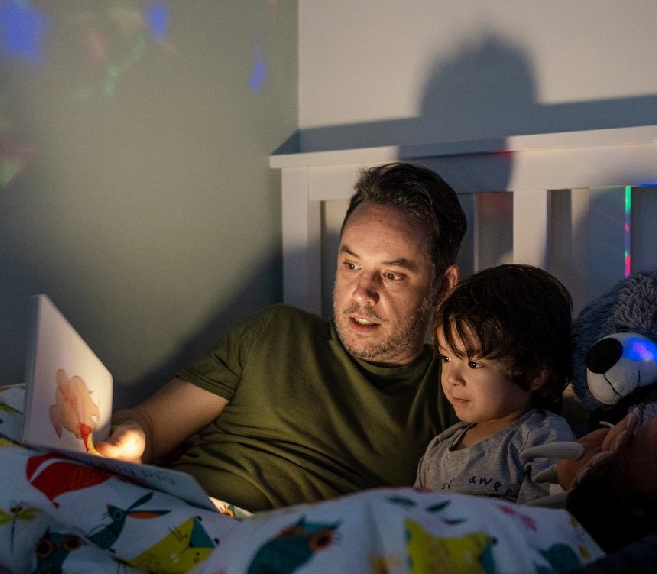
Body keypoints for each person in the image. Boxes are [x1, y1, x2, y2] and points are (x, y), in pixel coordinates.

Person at [95, 162, 466, 512]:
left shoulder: (454, 392)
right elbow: (152, 424)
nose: (361, 293)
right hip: (178, 517)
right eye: (351, 265)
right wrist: (133, 437)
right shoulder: (275, 331)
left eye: (392, 276)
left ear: (441, 288)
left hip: (294, 558)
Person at [415, 264, 574, 506]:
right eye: (447, 358)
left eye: (474, 364)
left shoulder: (541, 436)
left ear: (536, 373)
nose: (451, 378)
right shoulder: (438, 449)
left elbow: (543, 526)